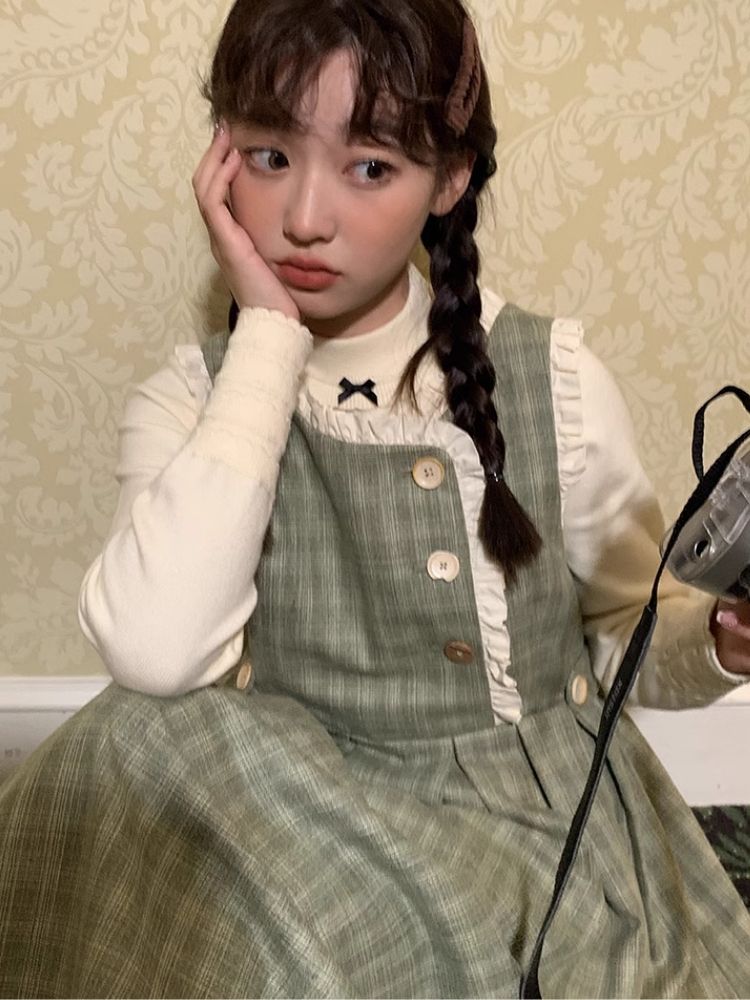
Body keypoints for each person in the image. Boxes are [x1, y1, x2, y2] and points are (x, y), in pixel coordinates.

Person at [1, 0, 750, 995]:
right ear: (219, 158)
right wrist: (268, 339)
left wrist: (719, 641)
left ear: (451, 178)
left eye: (369, 169)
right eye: (270, 156)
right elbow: (154, 652)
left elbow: (621, 631)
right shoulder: (193, 403)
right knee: (129, 734)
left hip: (530, 835)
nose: (306, 218)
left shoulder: (554, 377)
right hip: (312, 841)